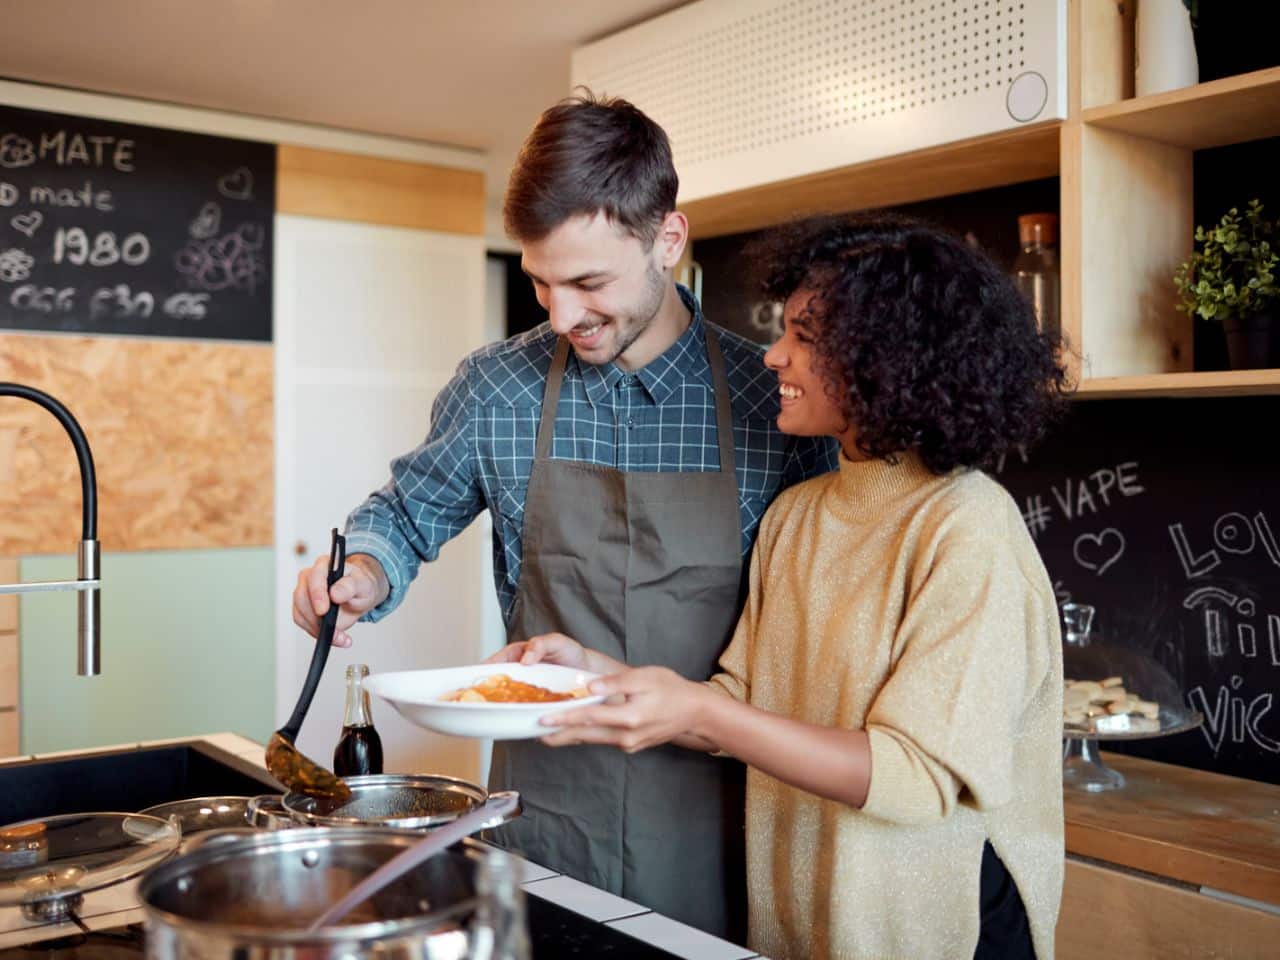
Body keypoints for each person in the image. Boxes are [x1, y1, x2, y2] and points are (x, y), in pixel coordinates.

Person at [291, 92, 837, 940]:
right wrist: (360, 571)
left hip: (720, 822)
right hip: (544, 813)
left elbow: (810, 646)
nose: (562, 316)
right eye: (539, 282)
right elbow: (405, 512)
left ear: (668, 239)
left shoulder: (778, 402)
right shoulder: (496, 386)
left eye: (588, 282)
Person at [499, 213, 1070, 959]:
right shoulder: (801, 514)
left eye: (805, 337)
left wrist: (697, 708)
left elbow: (914, 777)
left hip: (942, 931)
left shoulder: (967, 530)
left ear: (885, 359)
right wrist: (598, 678)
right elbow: (742, 704)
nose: (773, 357)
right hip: (806, 921)